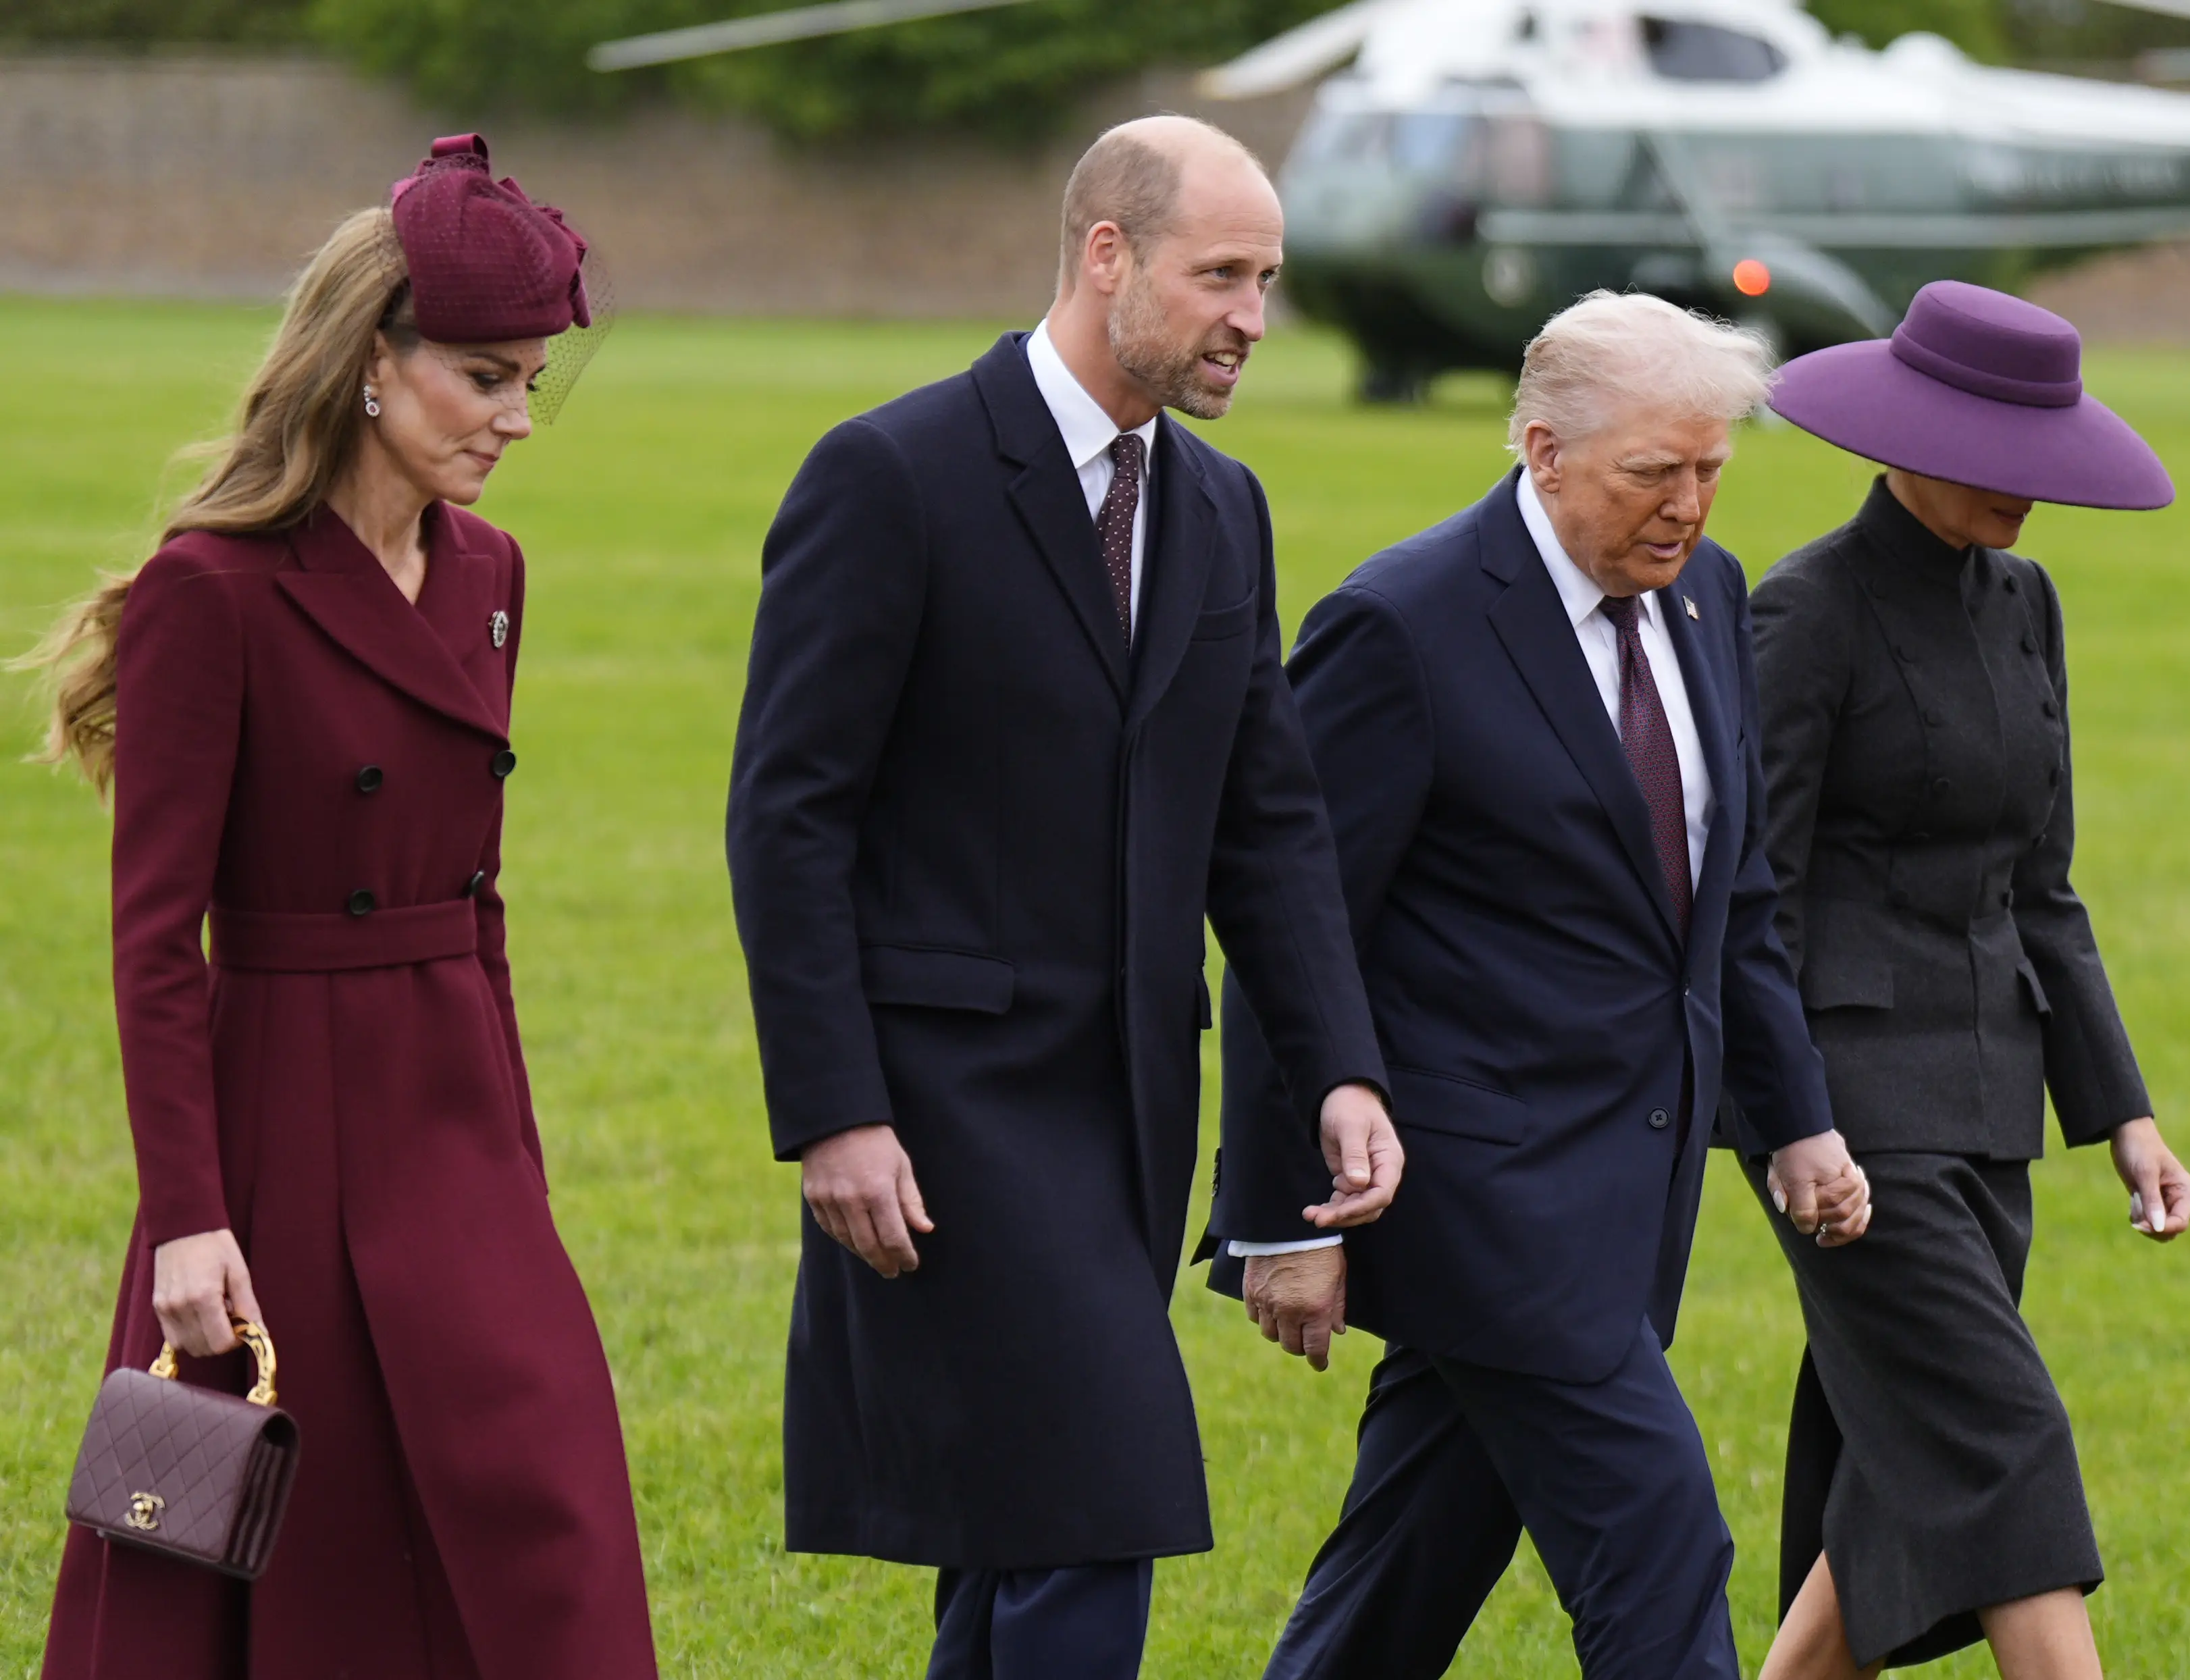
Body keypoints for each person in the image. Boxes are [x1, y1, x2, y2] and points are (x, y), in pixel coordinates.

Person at [724, 115, 1403, 1680]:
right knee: (1104, 1496)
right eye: (1220, 274)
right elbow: (789, 817)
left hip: (1127, 1120)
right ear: (1106, 256)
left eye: (1268, 278)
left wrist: (1343, 1070)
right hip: (941, 1114)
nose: (1254, 315)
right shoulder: (889, 474)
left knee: (1019, 1534)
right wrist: (833, 1107)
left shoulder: (1224, 508)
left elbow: (1272, 830)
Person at [25, 135, 654, 1679]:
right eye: (488, 379)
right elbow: (155, 935)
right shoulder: (211, 591)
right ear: (374, 360)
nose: (517, 420)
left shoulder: (491, 571)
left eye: (533, 384)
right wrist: (188, 1216)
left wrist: (512, 1147)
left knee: (545, 1497)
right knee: (289, 1537)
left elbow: (478, 890)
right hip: (276, 1120)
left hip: (456, 1107)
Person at [1207, 291, 1874, 1680]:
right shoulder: (1402, 623)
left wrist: (1794, 1117)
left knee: (1413, 1553)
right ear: (1542, 449)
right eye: (1651, 473)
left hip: (1630, 1189)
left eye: (1709, 470)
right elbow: (1293, 927)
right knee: (1662, 1536)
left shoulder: (1706, 593)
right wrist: (1282, 1215)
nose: (1685, 505)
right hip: (1475, 1193)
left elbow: (1727, 896)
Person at [1742, 280, 2190, 1680]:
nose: (2028, 493)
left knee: (1895, 1474)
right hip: (1854, 1117)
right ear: (1907, 430)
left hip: (1993, 1102)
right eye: (1997, 458)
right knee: (2002, 1438)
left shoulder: (2025, 602)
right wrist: (1785, 1115)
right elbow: (1744, 896)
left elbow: (2042, 885)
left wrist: (2122, 1110)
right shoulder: (1804, 611)